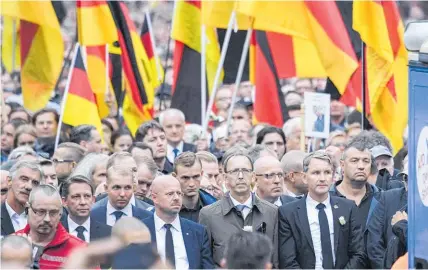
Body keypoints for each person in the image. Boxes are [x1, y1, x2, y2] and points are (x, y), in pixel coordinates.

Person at [278, 151, 366, 269]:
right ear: (304, 177)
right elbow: (288, 260)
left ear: (333, 177)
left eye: (327, 172)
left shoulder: (348, 208)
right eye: (316, 173)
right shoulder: (288, 213)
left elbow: (358, 253)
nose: (322, 178)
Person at [199, 152, 278, 267]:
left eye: (245, 171)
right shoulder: (209, 215)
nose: (240, 176)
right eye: (234, 171)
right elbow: (205, 262)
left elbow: (276, 261)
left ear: (253, 176)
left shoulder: (272, 212)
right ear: (225, 177)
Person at [142, 175, 215, 269]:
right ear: (154, 198)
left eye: (179, 193)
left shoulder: (198, 232)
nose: (176, 198)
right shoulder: (140, 230)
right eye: (170, 194)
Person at [16, 184, 86, 269]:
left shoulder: (79, 250)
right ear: (27, 209)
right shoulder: (9, 245)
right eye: (40, 211)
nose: (47, 219)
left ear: (60, 214)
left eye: (53, 213)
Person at [331, 136, 382, 229]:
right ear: (342, 165)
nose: (361, 166)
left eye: (366, 161)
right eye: (354, 161)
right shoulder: (327, 197)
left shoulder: (381, 198)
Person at [366, 173, 408, 268]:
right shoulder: (388, 197)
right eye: (406, 178)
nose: (409, 183)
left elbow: (421, 246)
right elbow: (374, 242)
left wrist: (401, 225)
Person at [61, 175, 111, 243]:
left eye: (87, 196)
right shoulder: (54, 233)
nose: (83, 202)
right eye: (76, 197)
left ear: (93, 200)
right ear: (64, 201)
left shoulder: (108, 234)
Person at [1, 161, 44, 236]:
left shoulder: (41, 219)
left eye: (35, 183)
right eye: (24, 179)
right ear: (9, 181)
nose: (29, 187)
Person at [171, 152, 216, 223]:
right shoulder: (165, 209)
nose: (191, 184)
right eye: (185, 178)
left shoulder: (215, 207)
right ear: (174, 177)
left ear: (201, 174)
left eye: (196, 177)